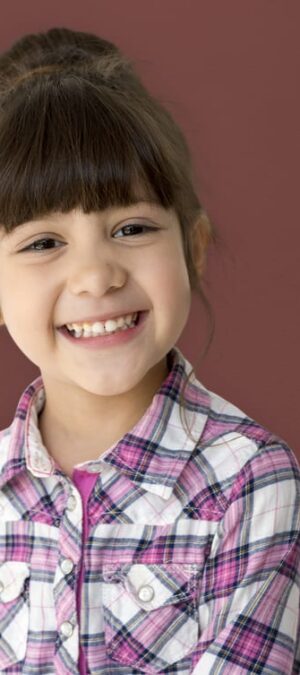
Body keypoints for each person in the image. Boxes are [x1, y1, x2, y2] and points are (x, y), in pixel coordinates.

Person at [0, 26, 298, 675]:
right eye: (43, 242)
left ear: (193, 248)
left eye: (131, 228)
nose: (96, 275)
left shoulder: (250, 483)